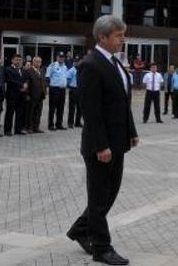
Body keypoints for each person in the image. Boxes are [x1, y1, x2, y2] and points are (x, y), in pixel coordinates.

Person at [67, 15, 138, 266]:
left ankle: (79, 229)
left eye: (123, 34)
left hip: (117, 141)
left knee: (109, 194)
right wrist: (101, 146)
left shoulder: (114, 63)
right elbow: (91, 111)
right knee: (99, 198)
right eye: (118, 35)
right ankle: (101, 248)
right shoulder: (90, 65)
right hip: (101, 146)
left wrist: (131, 130)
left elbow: (121, 100)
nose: (123, 39)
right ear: (102, 37)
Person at [4, 54, 28, 135]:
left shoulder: (23, 70)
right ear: (12, 60)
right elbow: (10, 80)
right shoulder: (8, 69)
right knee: (10, 113)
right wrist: (21, 85)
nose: (18, 61)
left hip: (21, 95)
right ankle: (7, 130)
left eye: (20, 60)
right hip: (12, 95)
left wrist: (25, 85)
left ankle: (18, 129)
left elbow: (26, 79)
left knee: (20, 113)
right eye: (16, 60)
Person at [24, 56, 47, 133]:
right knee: (30, 112)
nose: (38, 63)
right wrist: (27, 94)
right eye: (36, 61)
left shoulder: (42, 70)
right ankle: (29, 127)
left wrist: (45, 92)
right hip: (31, 95)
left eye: (40, 62)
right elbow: (27, 83)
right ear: (33, 62)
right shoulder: (28, 71)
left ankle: (36, 127)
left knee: (38, 112)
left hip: (40, 95)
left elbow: (44, 82)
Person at [47, 52, 69, 130]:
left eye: (63, 57)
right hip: (54, 89)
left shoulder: (65, 67)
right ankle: (50, 125)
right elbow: (47, 77)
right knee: (52, 108)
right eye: (60, 57)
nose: (61, 58)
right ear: (57, 57)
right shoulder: (52, 66)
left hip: (62, 90)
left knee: (61, 108)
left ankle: (59, 124)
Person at [66, 59, 82, 128]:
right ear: (73, 63)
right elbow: (68, 80)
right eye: (75, 62)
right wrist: (71, 86)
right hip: (73, 89)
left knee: (80, 107)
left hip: (80, 89)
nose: (77, 63)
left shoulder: (81, 70)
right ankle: (70, 123)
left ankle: (77, 122)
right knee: (72, 107)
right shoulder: (71, 70)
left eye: (78, 62)